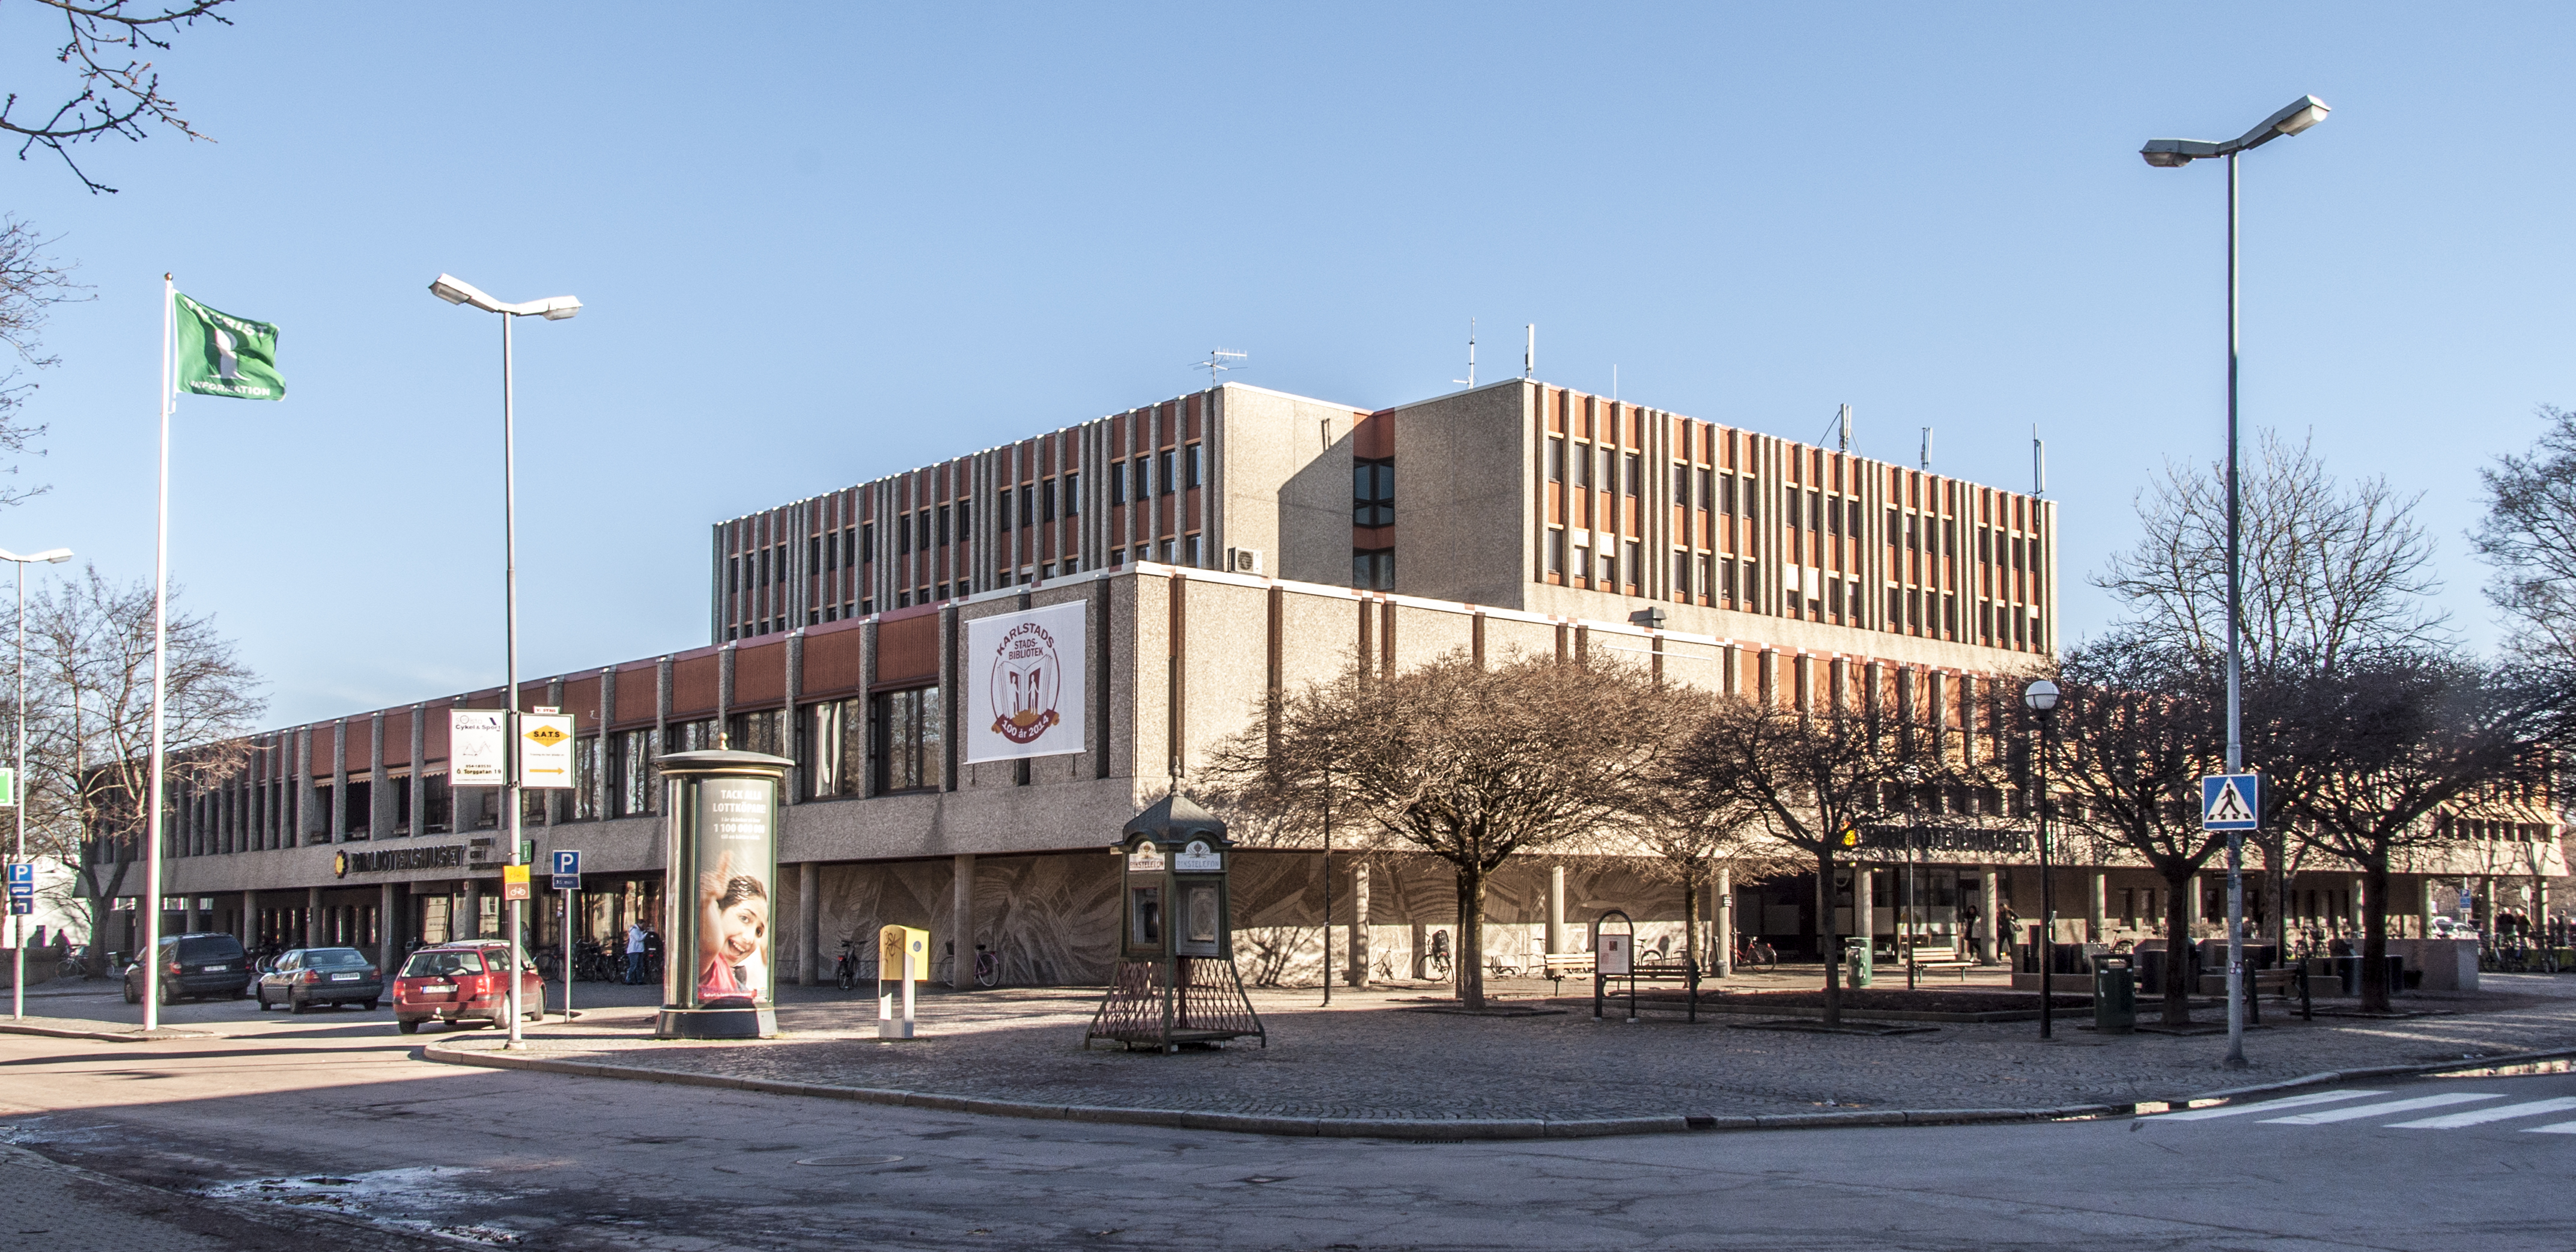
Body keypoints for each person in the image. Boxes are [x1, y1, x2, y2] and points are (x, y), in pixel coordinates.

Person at [695, 857, 768, 1006]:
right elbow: (711, 946)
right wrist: (707, 902)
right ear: (719, 911)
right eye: (744, 918)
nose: (749, 939)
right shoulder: (710, 965)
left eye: (758, 932)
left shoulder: (735, 976)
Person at [625, 920, 649, 985]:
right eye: (642, 925)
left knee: (640, 966)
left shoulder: (639, 930)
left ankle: (639, 980)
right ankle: (628, 980)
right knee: (633, 966)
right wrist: (646, 934)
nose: (643, 926)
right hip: (634, 950)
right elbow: (639, 939)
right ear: (639, 924)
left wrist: (645, 932)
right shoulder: (634, 930)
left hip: (640, 950)